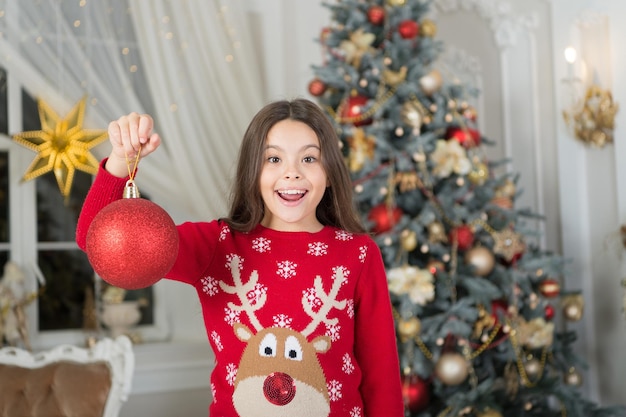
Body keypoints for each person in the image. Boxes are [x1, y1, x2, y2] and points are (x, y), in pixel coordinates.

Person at [76, 98, 404, 417]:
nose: (292, 174)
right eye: (273, 159)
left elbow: (381, 377)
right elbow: (96, 241)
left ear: (330, 172)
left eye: (309, 159)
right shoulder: (216, 245)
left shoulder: (357, 252)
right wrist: (121, 160)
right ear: (253, 171)